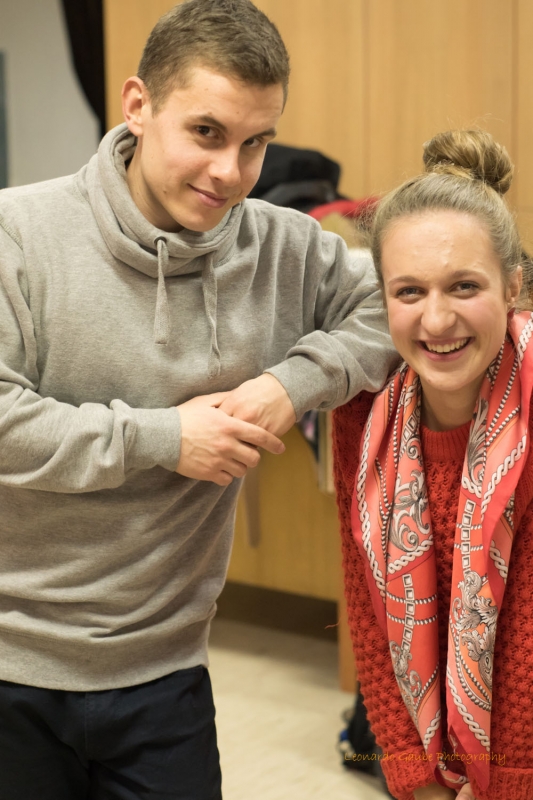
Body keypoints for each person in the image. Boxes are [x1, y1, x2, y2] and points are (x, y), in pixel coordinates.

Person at [0, 1, 397, 798]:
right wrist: (164, 438)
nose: (230, 172)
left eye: (256, 142)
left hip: (167, 668)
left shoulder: (281, 245)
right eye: (207, 133)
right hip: (13, 663)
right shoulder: (18, 232)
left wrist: (290, 385)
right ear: (137, 105)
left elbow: (394, 309)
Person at [333, 129, 533, 800]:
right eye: (410, 291)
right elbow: (369, 621)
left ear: (512, 286)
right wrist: (414, 777)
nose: (437, 319)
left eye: (464, 286)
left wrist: (506, 783)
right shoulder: (363, 419)